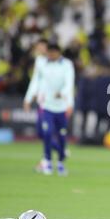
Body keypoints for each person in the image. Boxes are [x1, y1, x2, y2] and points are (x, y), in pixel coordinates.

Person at [24, 42, 75, 175]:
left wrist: (65, 96)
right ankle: (47, 161)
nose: (51, 55)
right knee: (46, 132)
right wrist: (28, 98)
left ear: (58, 53)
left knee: (62, 135)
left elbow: (69, 83)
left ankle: (60, 162)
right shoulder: (41, 63)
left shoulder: (67, 64)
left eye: (53, 52)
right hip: (46, 104)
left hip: (61, 106)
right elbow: (35, 80)